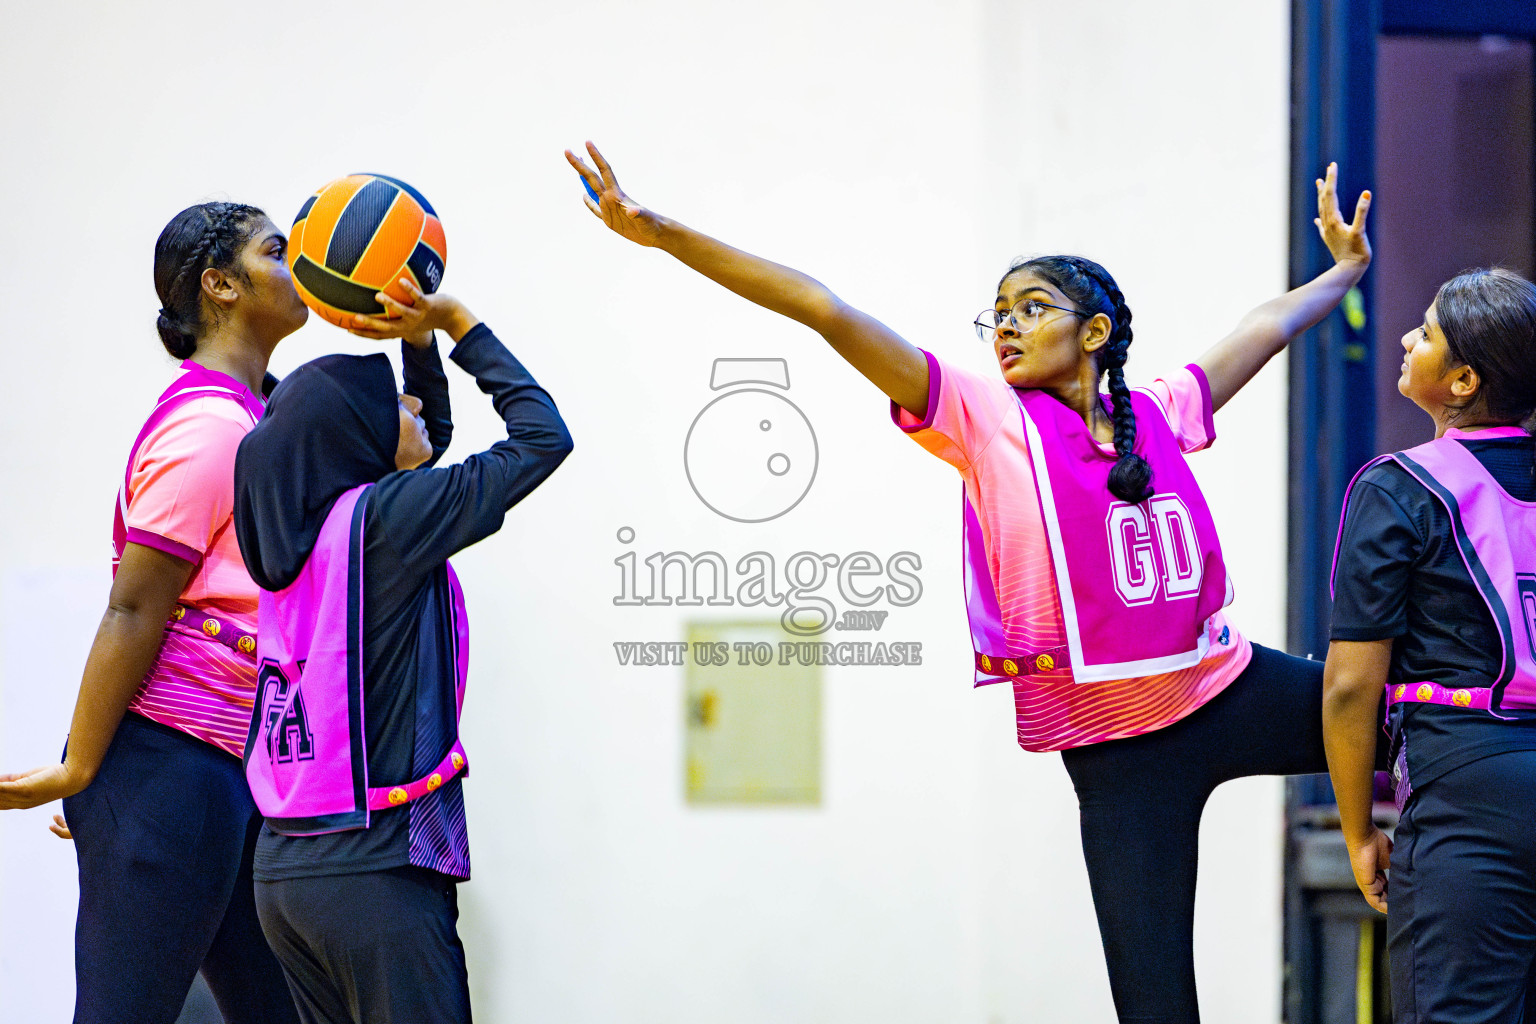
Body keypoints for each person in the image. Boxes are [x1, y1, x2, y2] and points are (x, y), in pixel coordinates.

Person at [567, 142, 1377, 1022]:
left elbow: (1265, 327)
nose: (1006, 326)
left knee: (1411, 716)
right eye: (996, 314)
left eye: (1032, 307)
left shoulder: (1159, 410)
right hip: (1118, 755)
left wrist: (1343, 272)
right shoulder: (984, 419)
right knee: (1155, 1009)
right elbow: (824, 310)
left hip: (1223, 687)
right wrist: (664, 234)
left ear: (1095, 332)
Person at [232, 277, 572, 1023]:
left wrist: (415, 344)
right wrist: (457, 322)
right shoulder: (389, 522)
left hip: (283, 876)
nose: (415, 406)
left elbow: (425, 447)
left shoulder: (306, 531)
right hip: (373, 870)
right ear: (358, 439)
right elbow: (544, 438)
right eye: (396, 404)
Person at [0, 202, 304, 1023]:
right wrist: (83, 771)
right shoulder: (209, 428)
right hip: (166, 764)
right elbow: (133, 610)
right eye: (276, 250)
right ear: (222, 285)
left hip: (235, 771)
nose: (297, 260)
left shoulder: (261, 416)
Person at [1323, 268, 1536, 1024]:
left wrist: (1357, 834)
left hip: (1467, 786)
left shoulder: (1399, 487)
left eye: (1427, 332)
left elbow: (1351, 686)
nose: (1408, 340)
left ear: (1463, 380)